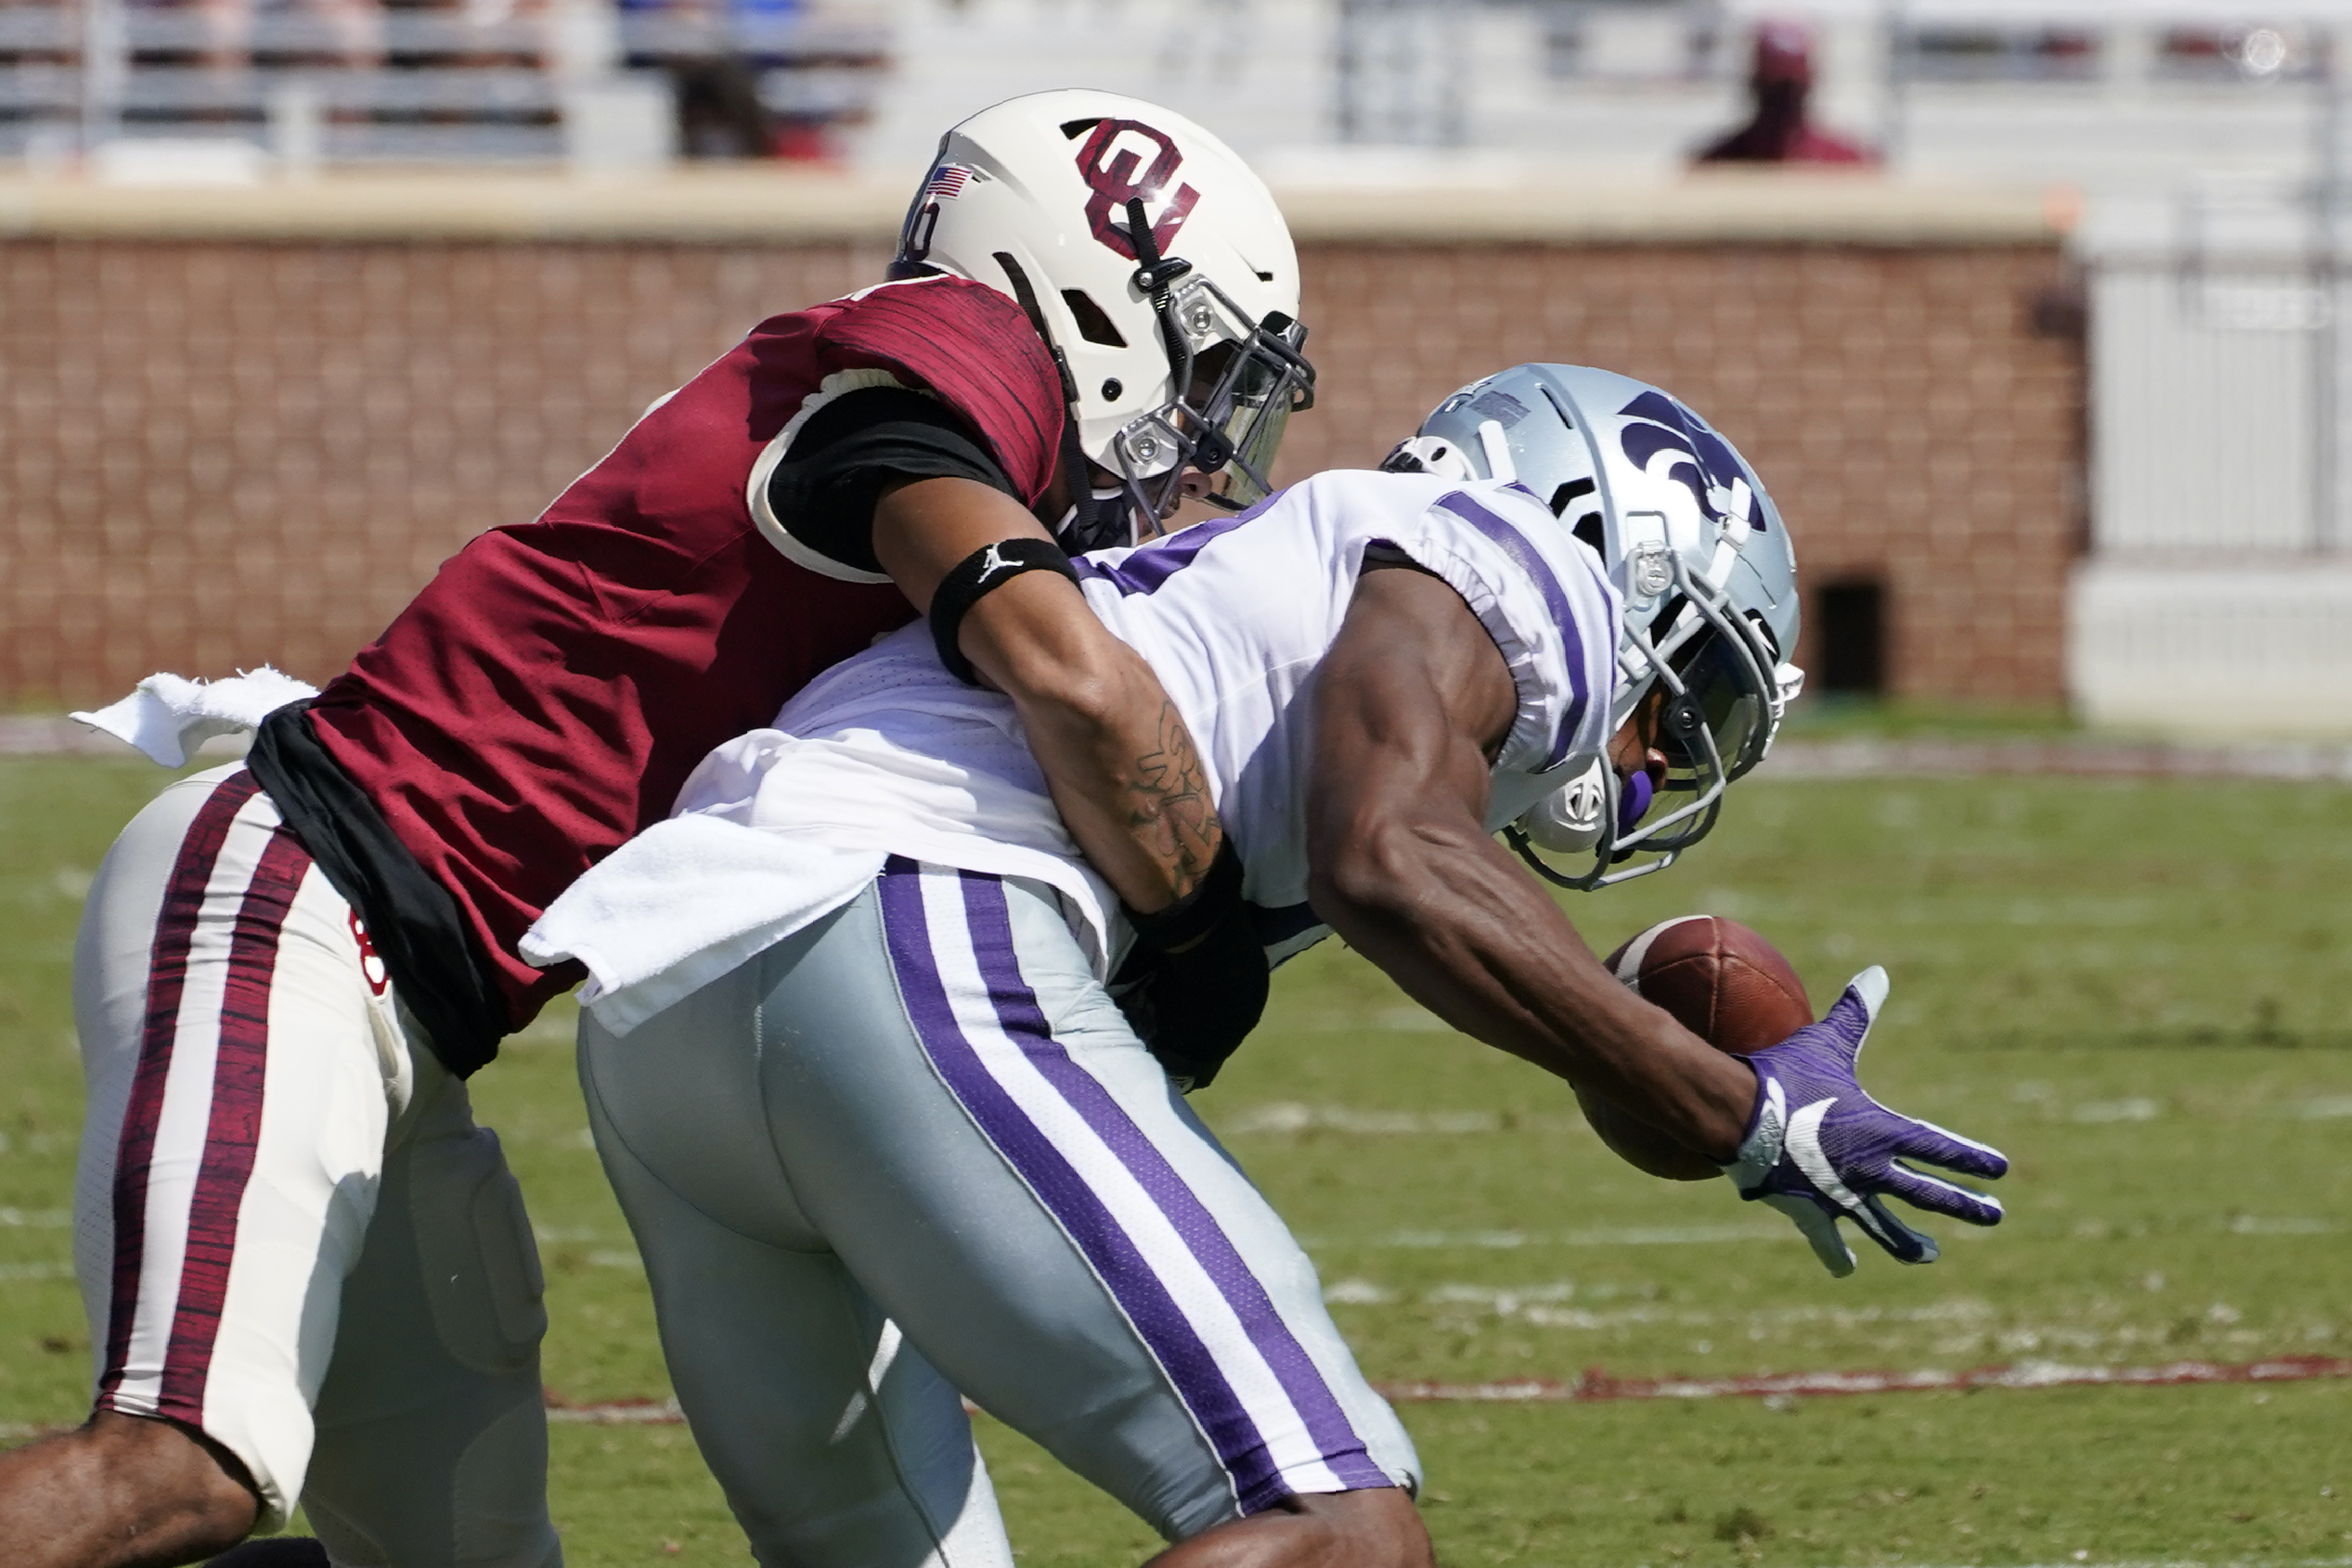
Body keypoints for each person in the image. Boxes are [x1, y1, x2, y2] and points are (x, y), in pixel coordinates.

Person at [16, 89, 1312, 1568]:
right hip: (294, 892)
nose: (1204, 428)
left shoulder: (919, 391)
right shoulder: (934, 376)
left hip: (411, 1001)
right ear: (1095, 283)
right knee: (176, 1470)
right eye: (1204, 362)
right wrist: (1206, 923)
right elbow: (1071, 681)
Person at [520, 364, 2009, 1568]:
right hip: (904, 924)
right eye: (1674, 707)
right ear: (1613, 552)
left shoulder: (1269, 600)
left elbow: (1449, 907)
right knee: (1340, 1532)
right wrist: (1741, 1112)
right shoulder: (1519, 566)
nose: (1647, 762)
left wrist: (1678, 1076)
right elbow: (1390, 859)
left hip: (675, 999)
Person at [1693, 19, 1875, 167]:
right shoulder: (1717, 163)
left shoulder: (1847, 160)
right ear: (1754, 84)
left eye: (1792, 91)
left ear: (1810, 86)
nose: (1783, 104)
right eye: (1773, 90)